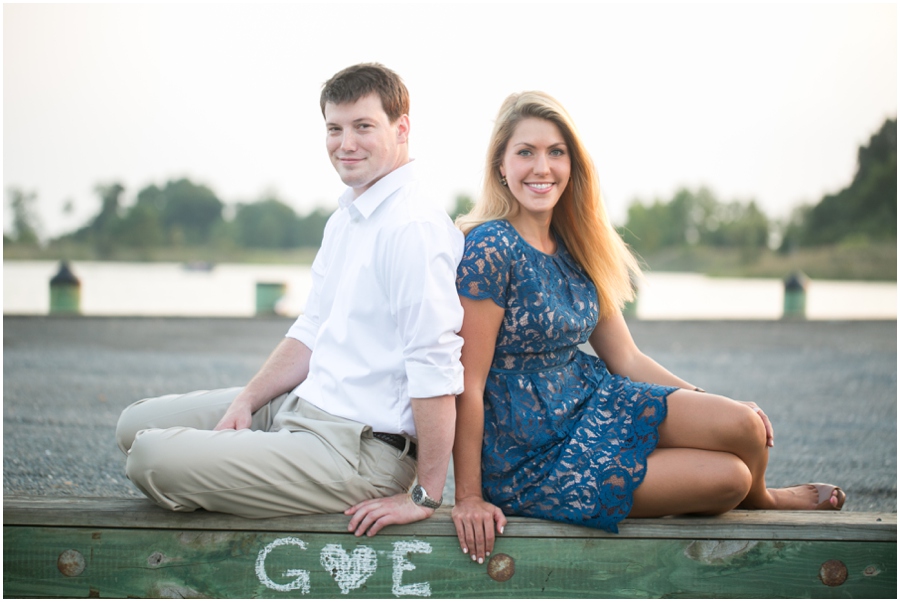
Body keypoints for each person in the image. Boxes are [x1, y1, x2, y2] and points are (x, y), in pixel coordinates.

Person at [450, 91, 846, 563]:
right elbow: (467, 383)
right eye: (525, 152)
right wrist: (469, 496)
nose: (542, 167)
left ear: (573, 165)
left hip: (593, 403)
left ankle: (763, 497)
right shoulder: (490, 248)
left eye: (556, 152)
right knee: (729, 479)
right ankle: (753, 494)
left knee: (745, 427)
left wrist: (708, 399)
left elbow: (627, 359)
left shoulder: (578, 244)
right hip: (533, 458)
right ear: (501, 166)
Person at [116, 63, 463, 536]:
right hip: (302, 405)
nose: (346, 144)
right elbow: (312, 327)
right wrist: (247, 400)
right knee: (133, 425)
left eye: (363, 126)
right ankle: (251, 457)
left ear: (402, 128)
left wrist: (425, 494)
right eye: (334, 129)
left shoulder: (413, 227)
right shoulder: (349, 216)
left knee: (150, 459)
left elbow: (434, 366)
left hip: (361, 449)